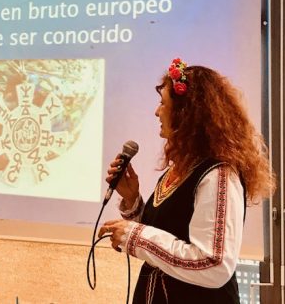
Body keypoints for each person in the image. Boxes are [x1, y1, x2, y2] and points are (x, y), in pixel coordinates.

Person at [98, 58, 275, 304]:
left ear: (186, 113)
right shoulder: (182, 169)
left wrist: (134, 236)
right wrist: (132, 200)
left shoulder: (218, 175)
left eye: (163, 103)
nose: (156, 112)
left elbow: (214, 264)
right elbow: (166, 234)